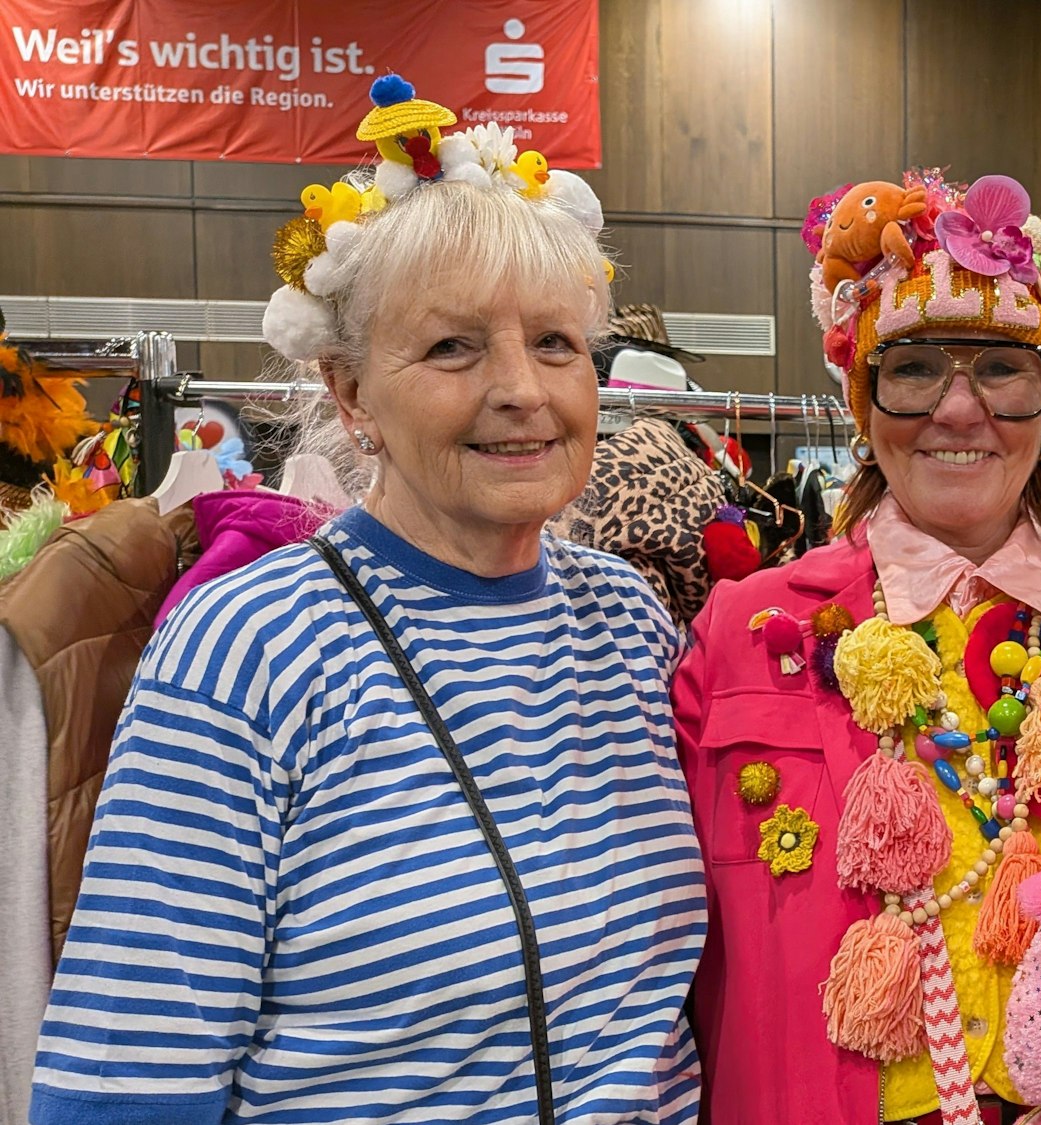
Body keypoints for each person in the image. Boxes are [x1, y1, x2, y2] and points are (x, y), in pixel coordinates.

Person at [29, 79, 705, 1124]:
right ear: (350, 392)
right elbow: (129, 1073)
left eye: (558, 344)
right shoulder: (249, 646)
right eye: (452, 346)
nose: (523, 388)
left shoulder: (627, 622)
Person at [671, 170, 1041, 1124]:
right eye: (914, 369)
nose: (960, 410)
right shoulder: (741, 633)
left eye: (1003, 367)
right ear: (862, 403)